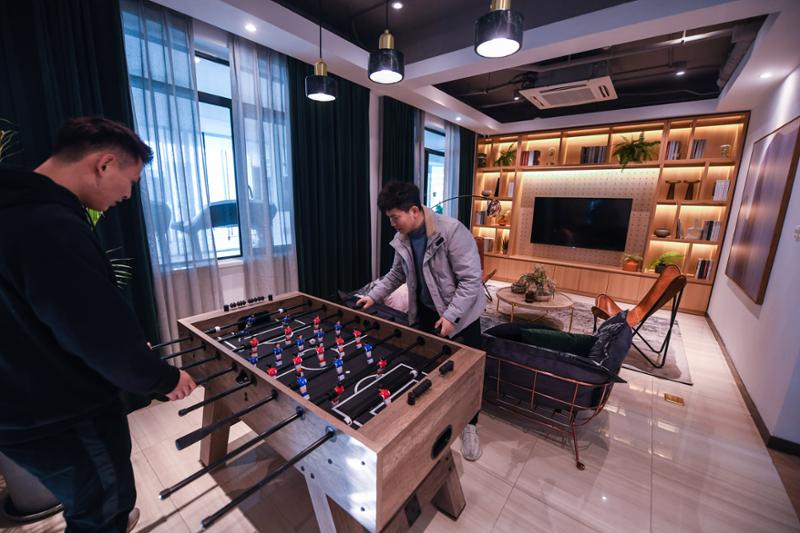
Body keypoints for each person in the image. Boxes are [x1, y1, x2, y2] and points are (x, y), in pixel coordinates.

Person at [0, 117, 197, 532]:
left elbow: (47, 319)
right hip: (61, 413)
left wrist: (129, 353)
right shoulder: (48, 224)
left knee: (90, 505)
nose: (127, 195)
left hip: (19, 410)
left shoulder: (15, 208)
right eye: (131, 181)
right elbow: (93, 332)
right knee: (102, 511)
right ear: (104, 164)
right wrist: (162, 379)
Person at [357, 181, 485, 461]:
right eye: (390, 218)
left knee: (468, 376)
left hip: (461, 316)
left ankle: (471, 425)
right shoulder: (403, 238)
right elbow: (396, 275)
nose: (392, 224)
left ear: (414, 211)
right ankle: (438, 417)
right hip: (426, 312)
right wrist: (373, 296)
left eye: (395, 217)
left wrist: (451, 316)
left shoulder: (452, 231)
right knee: (433, 369)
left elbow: (471, 281)